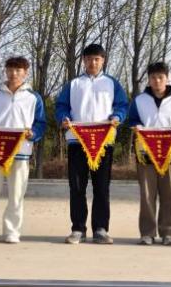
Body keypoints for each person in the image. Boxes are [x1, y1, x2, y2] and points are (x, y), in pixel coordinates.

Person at [55, 43, 129, 244]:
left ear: (103, 60)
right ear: (83, 61)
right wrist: (63, 118)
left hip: (104, 142)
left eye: (96, 59)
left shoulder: (112, 84)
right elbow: (61, 106)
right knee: (77, 186)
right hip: (77, 141)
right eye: (88, 59)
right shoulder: (73, 84)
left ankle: (101, 229)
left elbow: (122, 105)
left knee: (102, 187)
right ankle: (78, 228)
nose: (92, 63)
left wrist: (117, 116)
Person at [0, 55, 46, 244]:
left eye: (18, 70)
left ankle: (12, 231)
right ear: (5, 71)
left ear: (25, 72)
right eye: (10, 69)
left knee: (17, 194)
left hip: (21, 151)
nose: (14, 73)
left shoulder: (34, 98)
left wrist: (33, 133)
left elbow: (40, 123)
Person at [125, 61, 171, 246]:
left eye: (161, 77)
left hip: (170, 153)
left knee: (169, 193)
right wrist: (136, 126)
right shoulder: (140, 100)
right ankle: (147, 232)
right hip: (145, 153)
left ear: (167, 78)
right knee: (147, 194)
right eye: (153, 77)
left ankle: (169, 232)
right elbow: (132, 119)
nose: (157, 81)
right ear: (149, 79)